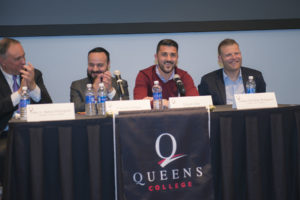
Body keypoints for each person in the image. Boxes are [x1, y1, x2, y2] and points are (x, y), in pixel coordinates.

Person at [0, 37, 52, 183]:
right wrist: (20, 93)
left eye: (24, 56)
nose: (23, 62)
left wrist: (33, 86)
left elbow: (48, 106)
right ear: (2, 61)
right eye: (17, 59)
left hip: (33, 131)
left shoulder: (35, 74)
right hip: (5, 133)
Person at [198, 38, 266, 105]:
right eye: (228, 55)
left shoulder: (256, 77)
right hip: (222, 116)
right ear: (220, 59)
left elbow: (263, 106)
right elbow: (206, 111)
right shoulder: (208, 81)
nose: (234, 57)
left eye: (236, 53)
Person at [134, 39, 198, 106]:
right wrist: (164, 103)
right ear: (156, 57)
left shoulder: (184, 76)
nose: (168, 59)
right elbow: (139, 103)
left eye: (173, 55)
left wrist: (160, 102)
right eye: (164, 54)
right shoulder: (144, 75)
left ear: (177, 58)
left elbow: (195, 102)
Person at [70, 47, 129, 112]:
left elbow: (125, 108)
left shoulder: (120, 84)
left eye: (100, 65)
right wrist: (94, 93)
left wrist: (110, 90)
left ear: (108, 65)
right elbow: (75, 109)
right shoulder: (77, 85)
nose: (95, 69)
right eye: (91, 65)